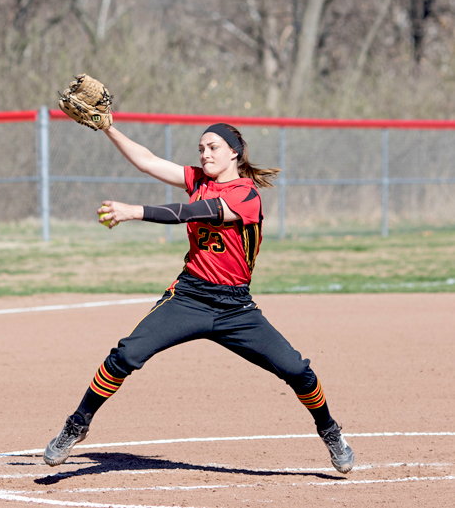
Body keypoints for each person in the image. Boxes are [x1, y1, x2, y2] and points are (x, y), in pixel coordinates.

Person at [43, 122, 354, 473]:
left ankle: (329, 431)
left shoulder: (246, 194)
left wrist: (136, 211)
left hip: (235, 308)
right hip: (189, 296)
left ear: (234, 152)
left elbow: (193, 213)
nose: (205, 154)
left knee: (297, 371)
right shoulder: (198, 180)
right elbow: (146, 161)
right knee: (126, 354)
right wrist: (108, 128)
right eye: (201, 148)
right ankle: (77, 424)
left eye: (213, 147)